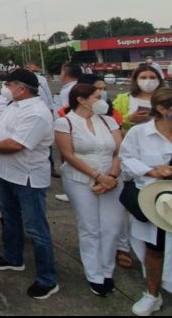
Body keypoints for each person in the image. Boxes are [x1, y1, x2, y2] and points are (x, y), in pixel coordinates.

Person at [0, 69, 59, 300]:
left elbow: (17, 144)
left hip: (27, 177)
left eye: (8, 84)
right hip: (7, 173)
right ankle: (13, 257)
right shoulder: (13, 105)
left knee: (36, 228)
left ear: (22, 88)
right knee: (10, 218)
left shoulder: (37, 113)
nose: (5, 88)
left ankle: (47, 279)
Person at [54, 83, 124, 297]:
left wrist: (111, 176)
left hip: (111, 178)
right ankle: (95, 274)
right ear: (81, 100)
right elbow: (68, 154)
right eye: (96, 96)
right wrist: (97, 176)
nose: (102, 100)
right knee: (90, 227)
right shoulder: (65, 122)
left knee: (111, 227)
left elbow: (120, 150)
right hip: (80, 180)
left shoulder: (108, 120)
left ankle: (107, 270)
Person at [119, 88, 172, 316]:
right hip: (153, 199)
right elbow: (126, 159)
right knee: (155, 248)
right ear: (162, 109)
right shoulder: (139, 133)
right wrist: (150, 171)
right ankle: (152, 295)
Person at [114, 66, 165, 132]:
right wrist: (130, 119)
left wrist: (167, 116)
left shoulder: (169, 98)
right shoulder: (122, 99)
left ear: (159, 80)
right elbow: (113, 121)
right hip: (133, 137)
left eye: (152, 77)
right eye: (143, 78)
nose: (148, 81)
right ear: (136, 80)